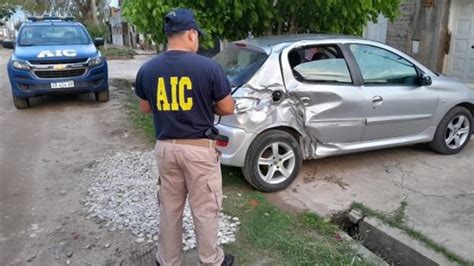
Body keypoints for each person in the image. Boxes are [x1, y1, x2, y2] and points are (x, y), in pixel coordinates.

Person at [134, 8, 235, 266]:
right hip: (199, 150)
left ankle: (167, 260)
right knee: (205, 209)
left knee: (170, 208)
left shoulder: (148, 68)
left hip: (166, 148)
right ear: (191, 34)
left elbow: (145, 107)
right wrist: (204, 105)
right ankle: (211, 260)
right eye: (196, 34)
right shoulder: (208, 67)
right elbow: (227, 108)